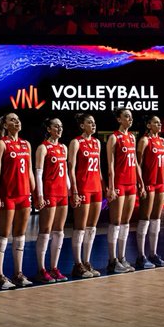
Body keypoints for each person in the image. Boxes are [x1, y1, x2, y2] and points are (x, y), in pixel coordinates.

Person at [0, 111, 34, 289]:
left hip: (24, 195)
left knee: (20, 235)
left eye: (18, 119)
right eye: (12, 120)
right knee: (3, 235)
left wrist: (35, 193)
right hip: (7, 195)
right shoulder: (1, 144)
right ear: (5, 125)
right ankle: (0, 275)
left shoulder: (26, 144)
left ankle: (18, 273)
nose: (17, 122)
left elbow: (30, 171)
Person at [33, 117, 73, 283]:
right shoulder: (43, 148)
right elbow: (39, 174)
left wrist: (71, 191)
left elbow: (66, 172)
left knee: (59, 230)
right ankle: (41, 269)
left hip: (62, 193)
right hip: (49, 193)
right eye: (56, 126)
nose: (59, 129)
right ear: (49, 129)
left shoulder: (63, 147)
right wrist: (40, 195)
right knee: (45, 230)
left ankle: (54, 267)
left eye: (61, 126)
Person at [105, 107, 144, 274]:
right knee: (116, 221)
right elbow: (110, 165)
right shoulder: (114, 138)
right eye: (126, 116)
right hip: (120, 184)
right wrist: (112, 187)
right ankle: (112, 260)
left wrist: (140, 182)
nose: (130, 119)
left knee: (126, 222)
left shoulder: (132, 137)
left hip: (131, 183)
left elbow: (135, 161)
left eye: (131, 117)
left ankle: (121, 257)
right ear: (119, 119)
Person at [68, 113, 103, 278]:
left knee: (92, 227)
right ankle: (77, 264)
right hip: (83, 188)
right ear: (82, 125)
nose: (93, 125)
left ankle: (87, 262)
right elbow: (71, 169)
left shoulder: (96, 142)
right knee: (80, 227)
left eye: (94, 122)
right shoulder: (76, 142)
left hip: (96, 188)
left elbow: (99, 169)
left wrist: (105, 187)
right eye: (90, 122)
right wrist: (74, 190)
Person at [134, 114, 164, 268]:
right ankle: (141, 256)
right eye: (156, 122)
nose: (159, 124)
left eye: (160, 122)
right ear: (148, 125)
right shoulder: (144, 140)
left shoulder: (162, 141)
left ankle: (153, 254)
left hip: (160, 183)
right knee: (145, 217)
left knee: (156, 218)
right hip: (149, 182)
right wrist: (140, 184)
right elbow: (138, 164)